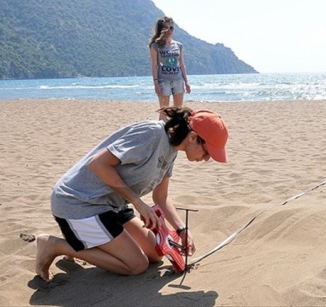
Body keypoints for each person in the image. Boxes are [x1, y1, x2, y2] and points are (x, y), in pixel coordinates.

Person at [35, 107, 228, 282]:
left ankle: (85, 240)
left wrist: (181, 229)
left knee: (155, 254)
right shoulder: (151, 133)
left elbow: (161, 197)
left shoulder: (173, 150)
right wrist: (137, 202)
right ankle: (56, 246)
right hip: (79, 202)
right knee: (137, 265)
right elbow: (98, 164)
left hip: (113, 205)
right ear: (193, 137)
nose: (206, 159)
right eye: (207, 152)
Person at [149, 16, 191, 120]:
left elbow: (181, 64)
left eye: (171, 28)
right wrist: (156, 83)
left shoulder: (179, 45)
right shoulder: (155, 46)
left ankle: (176, 135)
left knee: (178, 112)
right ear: (161, 30)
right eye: (166, 28)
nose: (169, 31)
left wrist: (186, 82)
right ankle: (162, 135)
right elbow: (154, 65)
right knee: (164, 113)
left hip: (178, 80)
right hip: (163, 81)